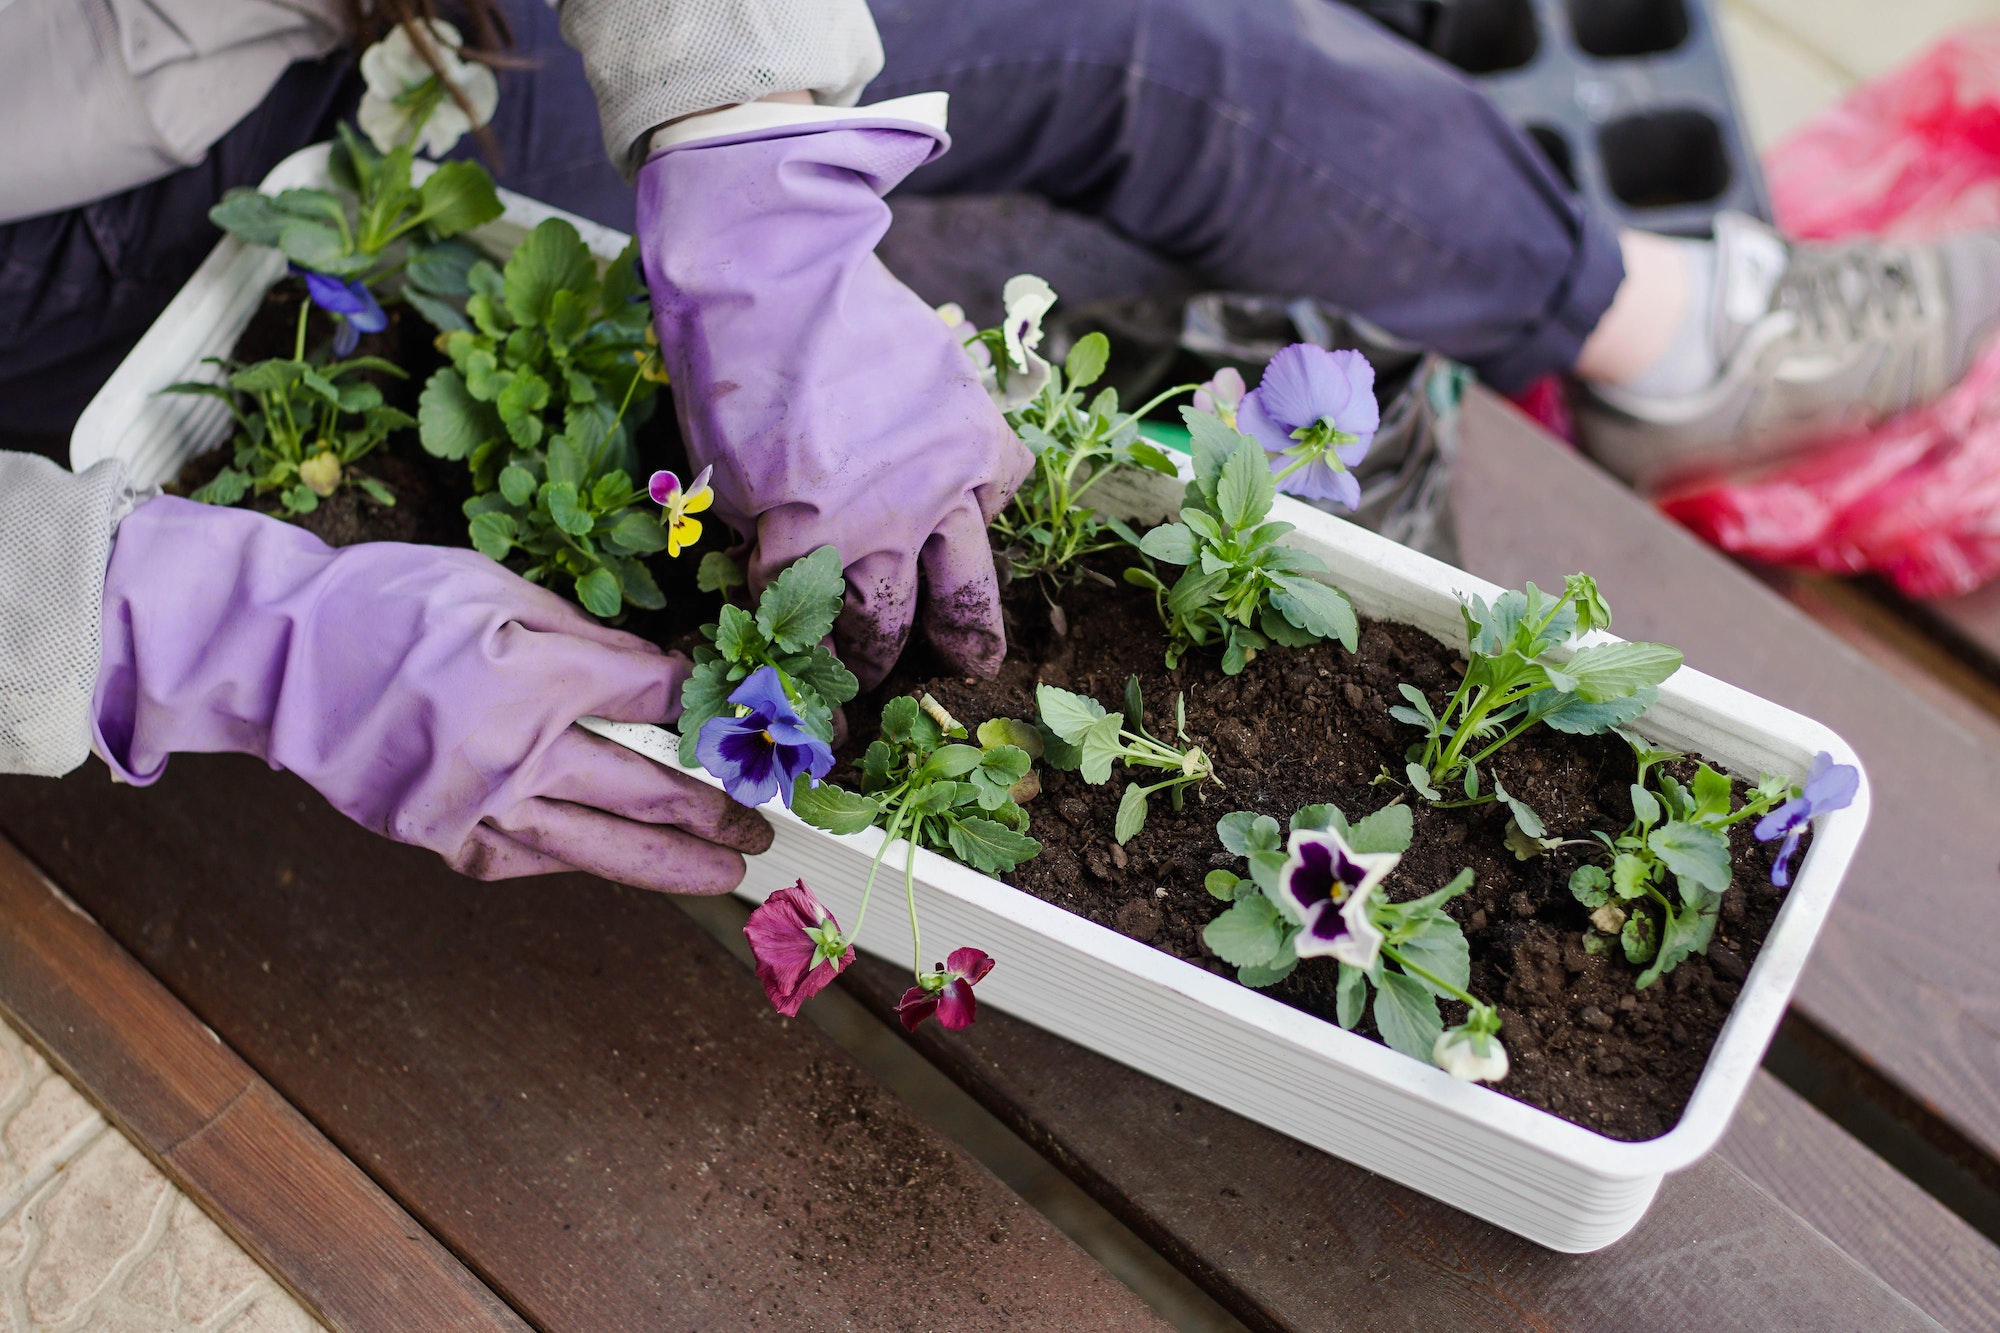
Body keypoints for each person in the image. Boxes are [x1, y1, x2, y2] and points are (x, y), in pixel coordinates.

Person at [4, 0, 1996, 894]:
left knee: (1156, 56)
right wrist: (160, 624)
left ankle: (1671, 338)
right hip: (62, 384)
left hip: (305, 71)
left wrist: (748, 147)